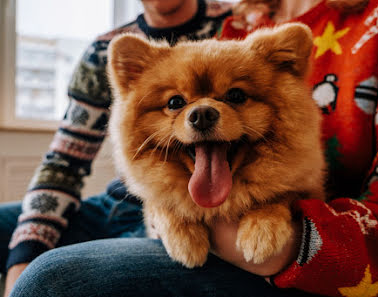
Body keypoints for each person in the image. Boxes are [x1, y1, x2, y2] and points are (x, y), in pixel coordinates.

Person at [2, 0, 378, 297]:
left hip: (299, 243)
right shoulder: (236, 19)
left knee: (53, 280)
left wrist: (283, 234)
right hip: (148, 200)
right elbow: (70, 158)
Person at [0, 0, 231, 296]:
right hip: (115, 201)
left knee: (51, 277)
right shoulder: (103, 51)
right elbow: (64, 162)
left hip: (182, 211)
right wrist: (26, 251)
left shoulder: (236, 25)